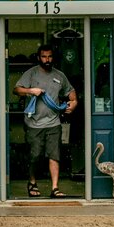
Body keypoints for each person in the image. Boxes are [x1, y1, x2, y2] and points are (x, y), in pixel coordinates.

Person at [13, 44, 78, 198]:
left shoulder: (60, 76)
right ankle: (32, 182)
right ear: (38, 57)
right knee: (35, 155)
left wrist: (74, 103)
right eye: (44, 56)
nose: (47, 60)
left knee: (54, 155)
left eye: (49, 56)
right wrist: (30, 90)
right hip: (33, 123)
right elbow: (16, 89)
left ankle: (55, 188)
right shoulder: (31, 74)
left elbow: (71, 92)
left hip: (53, 123)